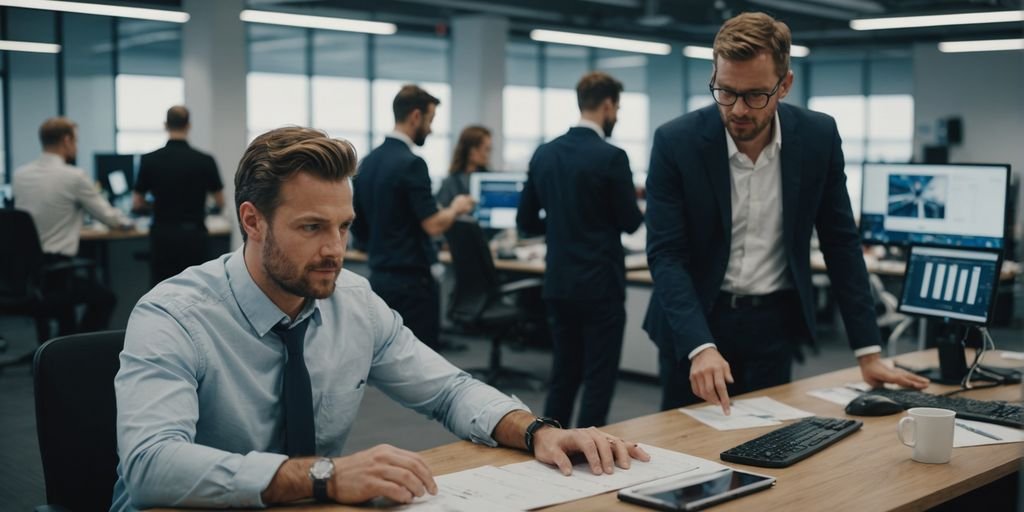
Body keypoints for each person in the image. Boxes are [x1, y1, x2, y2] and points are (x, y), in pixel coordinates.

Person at [111, 126, 649, 511]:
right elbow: (150, 466)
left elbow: (448, 391)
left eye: (344, 227)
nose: (335, 250)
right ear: (252, 221)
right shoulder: (173, 315)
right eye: (312, 228)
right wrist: (325, 475)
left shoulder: (353, 301)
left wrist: (535, 431)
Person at [643, 12, 929, 414]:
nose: (738, 109)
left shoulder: (817, 137)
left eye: (755, 95)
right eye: (725, 91)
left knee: (772, 447)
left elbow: (841, 242)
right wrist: (700, 345)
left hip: (774, 325)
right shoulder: (677, 142)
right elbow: (666, 254)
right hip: (697, 323)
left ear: (785, 85)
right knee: (685, 450)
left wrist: (868, 351)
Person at [517, 71, 644, 428]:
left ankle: (551, 441)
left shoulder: (544, 154)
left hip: (559, 282)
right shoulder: (612, 157)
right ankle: (590, 451)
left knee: (564, 371)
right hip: (601, 283)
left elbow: (526, 221)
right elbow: (631, 222)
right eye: (616, 108)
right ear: (607, 105)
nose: (616, 116)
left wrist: (560, 225)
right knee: (598, 377)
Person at [353, 85, 475, 351]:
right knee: (421, 365)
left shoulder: (368, 162)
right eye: (431, 120)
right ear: (416, 116)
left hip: (379, 278)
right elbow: (432, 224)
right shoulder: (411, 163)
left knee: (387, 360)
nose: (431, 129)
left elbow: (358, 226)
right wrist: (456, 208)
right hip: (412, 283)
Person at [12, 117, 131, 337]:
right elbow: (109, 217)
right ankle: (74, 347)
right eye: (76, 141)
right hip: (57, 272)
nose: (76, 146)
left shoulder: (20, 175)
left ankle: (61, 346)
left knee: (68, 300)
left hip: (24, 274)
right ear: (66, 141)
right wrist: (127, 221)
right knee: (106, 298)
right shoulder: (73, 176)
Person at [132, 106, 225, 286]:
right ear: (189, 126)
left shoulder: (149, 159)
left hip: (163, 236)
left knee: (162, 290)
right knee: (197, 290)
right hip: (194, 237)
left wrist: (155, 206)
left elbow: (137, 203)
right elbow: (220, 201)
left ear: (165, 125)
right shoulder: (205, 160)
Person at [436, 125, 492, 207]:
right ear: (472, 151)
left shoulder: (490, 180)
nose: (488, 154)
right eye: (486, 149)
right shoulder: (450, 183)